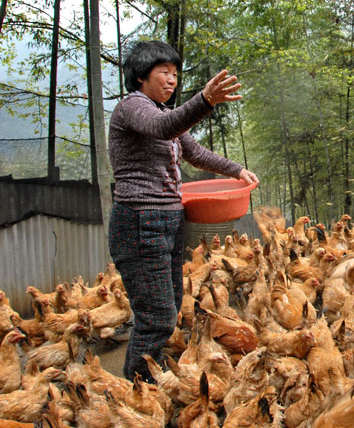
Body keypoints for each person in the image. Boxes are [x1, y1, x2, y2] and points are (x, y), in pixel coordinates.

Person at [107, 40, 258, 382]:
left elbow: (194, 151)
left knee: (172, 304)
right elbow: (165, 129)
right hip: (140, 221)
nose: (172, 79)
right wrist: (204, 100)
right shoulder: (133, 107)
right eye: (164, 72)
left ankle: (147, 378)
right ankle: (137, 389)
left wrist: (236, 170)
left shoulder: (163, 115)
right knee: (157, 316)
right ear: (142, 76)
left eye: (175, 73)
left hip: (167, 222)